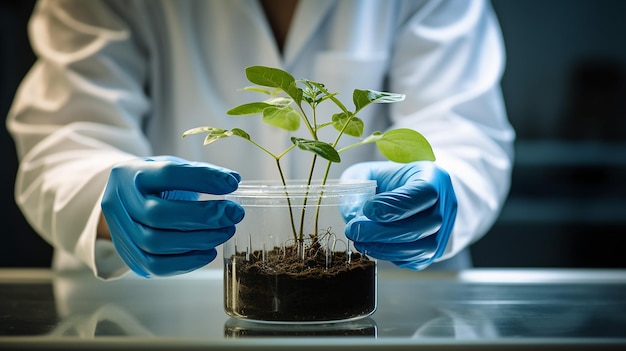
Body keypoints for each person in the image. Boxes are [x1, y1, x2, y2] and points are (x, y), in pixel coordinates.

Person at [6, 0, 514, 280]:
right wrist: (104, 202)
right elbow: (65, 136)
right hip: (151, 312)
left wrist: (444, 193)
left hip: (389, 308)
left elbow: (465, 132)